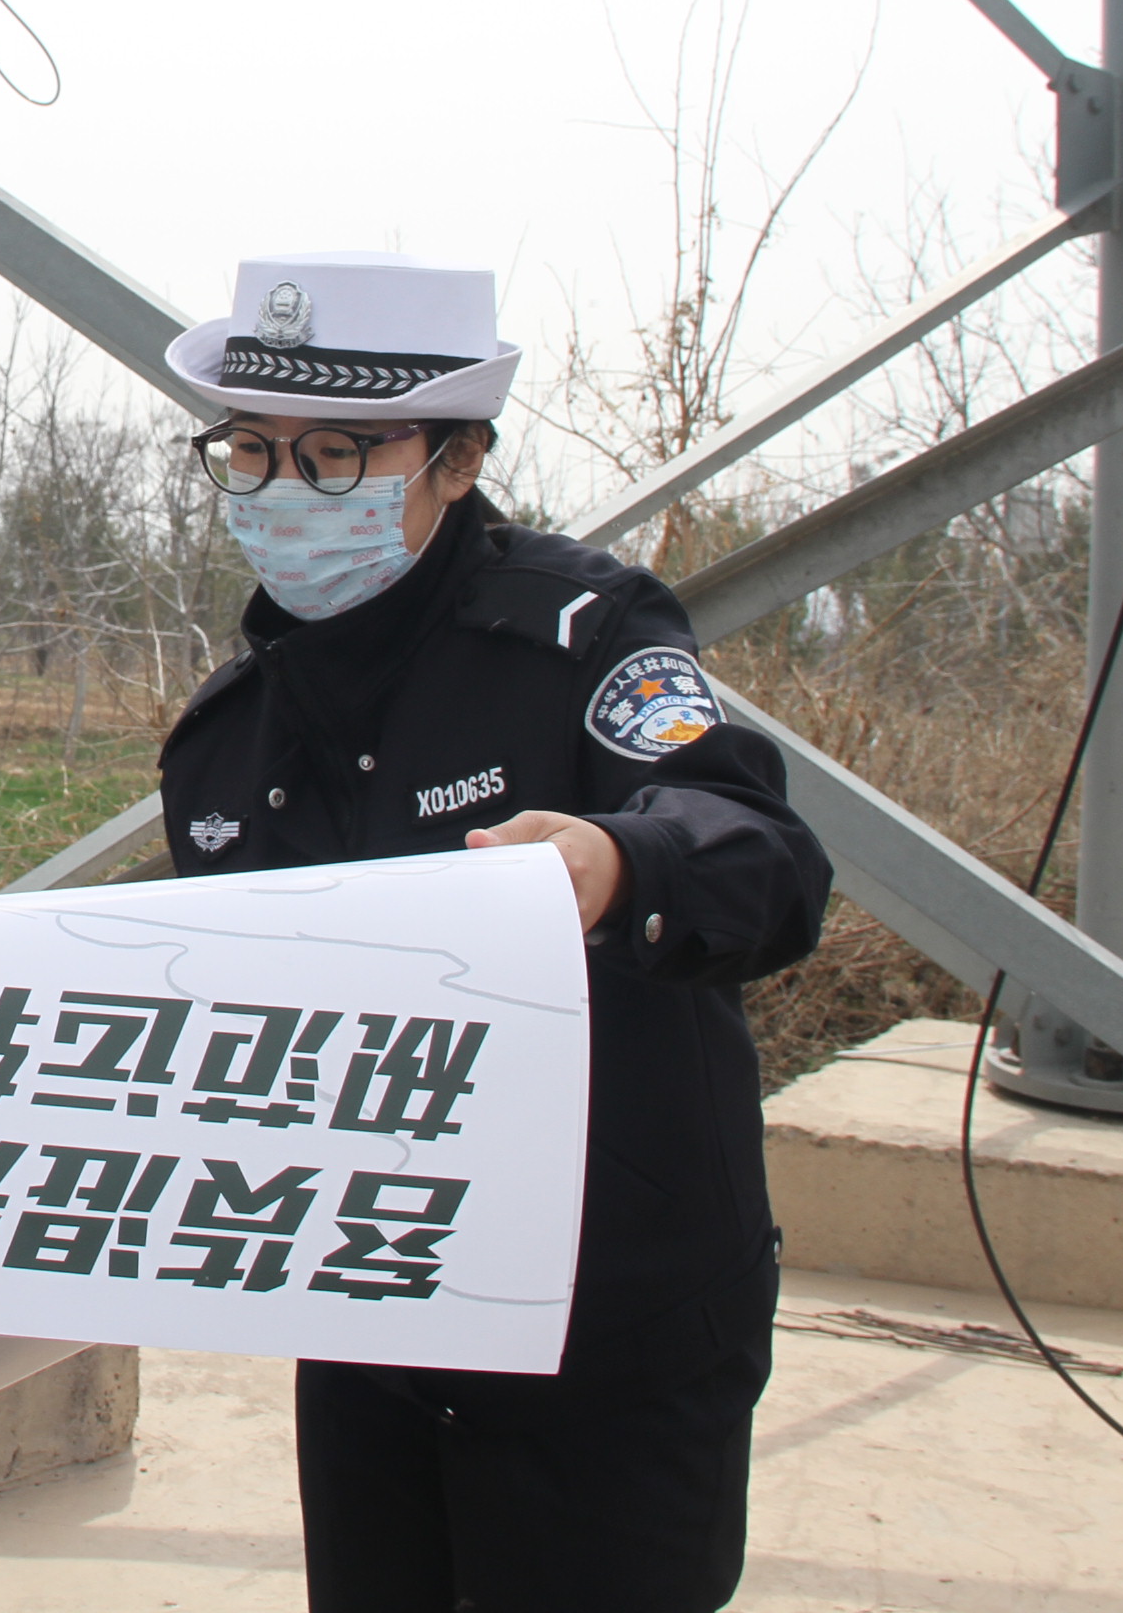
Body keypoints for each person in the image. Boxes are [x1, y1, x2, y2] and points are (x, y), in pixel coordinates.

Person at [153, 251, 830, 1613]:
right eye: (253, 453)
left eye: (336, 456)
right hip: (379, 1310)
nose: (282, 494)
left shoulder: (583, 638)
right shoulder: (227, 742)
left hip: (613, 1321)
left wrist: (615, 862)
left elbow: (763, 860)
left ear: (458, 461)